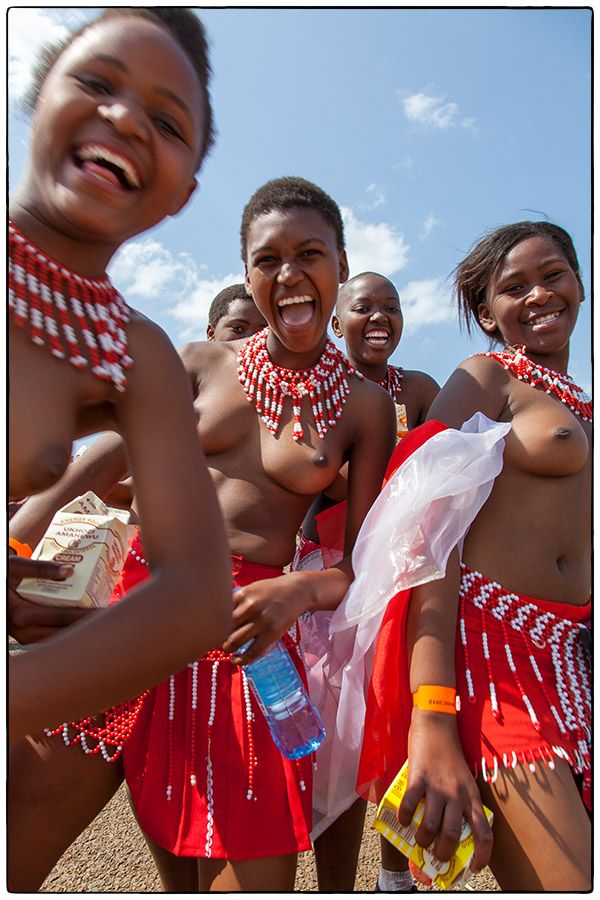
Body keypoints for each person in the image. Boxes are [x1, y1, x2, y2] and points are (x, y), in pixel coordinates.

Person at [8, 176, 397, 892]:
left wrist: (300, 588)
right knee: (14, 854)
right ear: (246, 271)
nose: (288, 275)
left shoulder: (366, 408)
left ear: (340, 263)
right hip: (126, 621)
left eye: (309, 253)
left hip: (241, 644)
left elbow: (360, 564)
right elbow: (108, 458)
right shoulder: (197, 362)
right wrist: (22, 535)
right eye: (266, 258)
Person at [8, 7, 231, 741]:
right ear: (37, 95)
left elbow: (195, 594)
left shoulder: (132, 352)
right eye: (98, 80)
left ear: (186, 192)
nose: (128, 119)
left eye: (169, 124)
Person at [355, 221, 591, 891]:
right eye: (514, 287)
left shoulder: (582, 399)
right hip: (500, 666)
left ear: (579, 281)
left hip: (575, 661)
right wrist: (431, 719)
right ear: (489, 314)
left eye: (554, 275)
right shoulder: (487, 379)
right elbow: (426, 536)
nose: (540, 294)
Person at [294, 272, 440, 891]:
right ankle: (334, 887)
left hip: (407, 578)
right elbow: (312, 488)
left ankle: (395, 880)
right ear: (336, 322)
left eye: (392, 307)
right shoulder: (318, 392)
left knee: (401, 731)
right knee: (343, 743)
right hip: (334, 582)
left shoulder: (424, 390)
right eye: (363, 308)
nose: (379, 318)